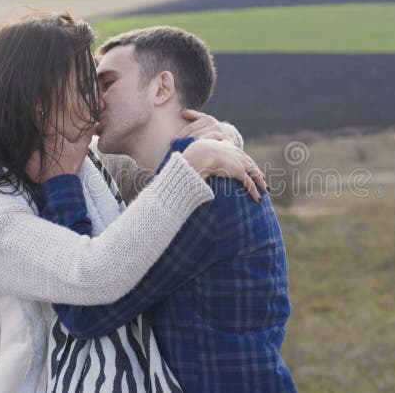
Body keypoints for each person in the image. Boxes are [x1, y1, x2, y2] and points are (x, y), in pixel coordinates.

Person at [0, 12, 266, 392]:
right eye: (83, 86)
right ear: (39, 101)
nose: (98, 102)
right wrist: (190, 165)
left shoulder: (90, 164)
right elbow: (89, 277)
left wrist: (218, 138)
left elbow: (161, 180)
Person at [44, 26, 296, 392]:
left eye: (107, 83)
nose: (93, 100)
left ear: (161, 87)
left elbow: (87, 312)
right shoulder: (176, 179)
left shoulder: (208, 192)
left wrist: (59, 180)